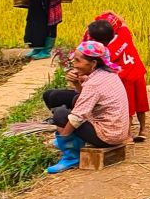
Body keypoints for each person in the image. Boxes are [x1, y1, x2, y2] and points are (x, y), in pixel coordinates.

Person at [41, 40, 131, 174]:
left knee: (60, 114)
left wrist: (63, 139)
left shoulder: (94, 84)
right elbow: (85, 99)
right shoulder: (109, 73)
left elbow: (77, 117)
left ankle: (71, 156)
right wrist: (77, 83)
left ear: (93, 63)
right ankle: (72, 142)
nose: (74, 65)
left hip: (107, 136)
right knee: (65, 99)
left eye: (78, 61)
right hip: (118, 131)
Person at [84, 14, 149, 142]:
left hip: (124, 79)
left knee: (128, 108)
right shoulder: (124, 34)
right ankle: (143, 129)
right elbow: (123, 22)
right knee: (141, 103)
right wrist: (112, 12)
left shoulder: (106, 52)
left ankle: (128, 134)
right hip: (137, 72)